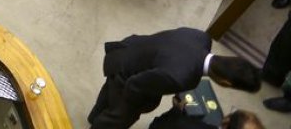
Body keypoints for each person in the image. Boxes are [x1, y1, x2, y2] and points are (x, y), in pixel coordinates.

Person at [87, 27, 259, 128]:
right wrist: (139, 108)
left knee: (107, 94)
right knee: (116, 119)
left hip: (125, 53)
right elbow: (135, 85)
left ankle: (94, 118)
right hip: (127, 77)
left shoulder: (201, 37)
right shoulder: (183, 78)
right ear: (225, 83)